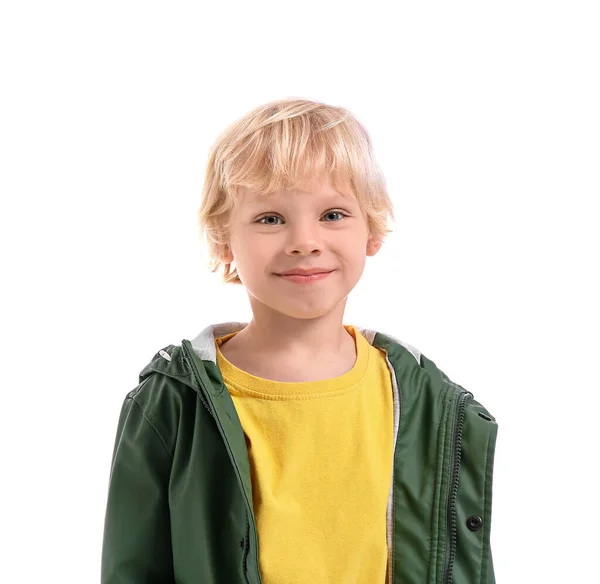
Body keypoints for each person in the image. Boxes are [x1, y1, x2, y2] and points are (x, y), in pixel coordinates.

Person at [100, 98, 498, 583]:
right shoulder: (174, 400)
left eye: (333, 214)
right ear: (224, 237)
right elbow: (133, 565)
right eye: (270, 218)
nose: (305, 241)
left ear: (372, 229)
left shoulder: (420, 396)